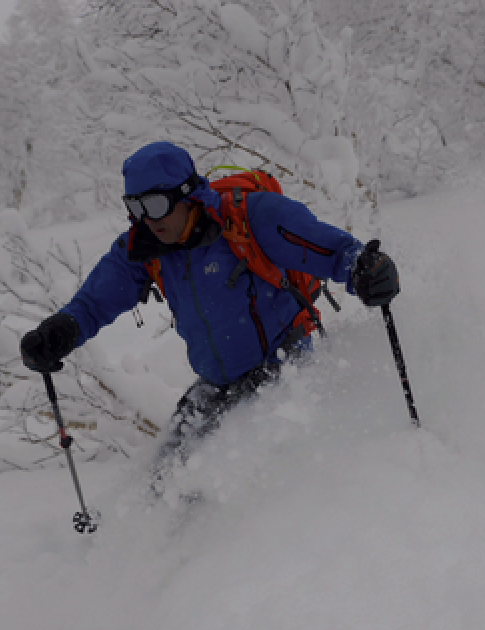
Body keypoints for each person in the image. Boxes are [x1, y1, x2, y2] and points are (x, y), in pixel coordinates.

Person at [19, 141, 399, 490]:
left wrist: (364, 269)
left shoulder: (251, 218)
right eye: (135, 207)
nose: (147, 219)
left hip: (285, 366)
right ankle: (154, 551)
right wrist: (61, 331)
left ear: (188, 194)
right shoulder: (144, 249)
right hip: (216, 383)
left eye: (154, 205)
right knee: (165, 481)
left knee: (240, 481)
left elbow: (333, 251)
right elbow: (93, 302)